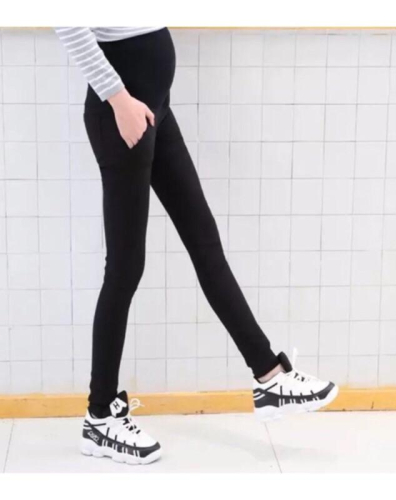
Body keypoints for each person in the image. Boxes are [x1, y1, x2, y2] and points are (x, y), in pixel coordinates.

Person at [55, 26, 338, 465]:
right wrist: (117, 98)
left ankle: (269, 376)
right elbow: (67, 23)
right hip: (122, 109)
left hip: (155, 105)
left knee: (204, 241)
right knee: (125, 268)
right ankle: (99, 416)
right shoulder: (118, 101)